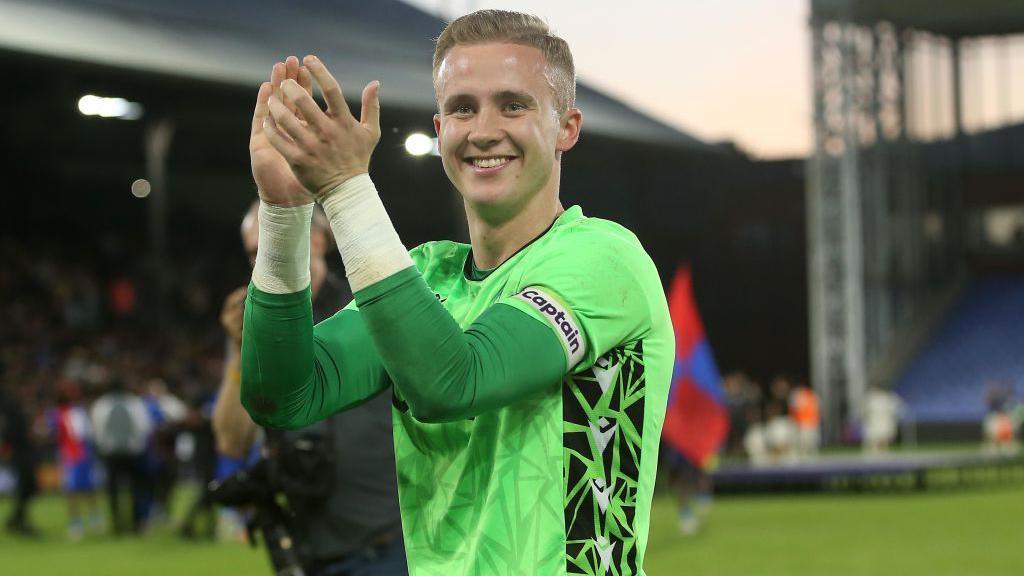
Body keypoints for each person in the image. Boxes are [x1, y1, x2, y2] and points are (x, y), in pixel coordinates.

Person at [239, 10, 673, 574]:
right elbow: (284, 397)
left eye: (513, 105)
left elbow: (454, 381)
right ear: (441, 130)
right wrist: (285, 213)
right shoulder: (427, 277)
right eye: (462, 107)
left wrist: (346, 190)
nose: (484, 129)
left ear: (566, 126)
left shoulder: (603, 259)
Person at [212, 201, 404, 575]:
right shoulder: (256, 326)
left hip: (387, 544)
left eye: (274, 247)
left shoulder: (369, 306)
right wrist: (240, 350)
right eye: (255, 255)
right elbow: (231, 441)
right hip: (307, 550)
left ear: (317, 242)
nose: (264, 263)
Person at [90, 378, 153, 535]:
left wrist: (104, 446)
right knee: (136, 489)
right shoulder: (134, 403)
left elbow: (96, 430)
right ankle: (136, 523)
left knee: (113, 490)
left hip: (111, 453)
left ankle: (117, 524)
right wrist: (138, 445)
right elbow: (144, 426)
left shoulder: (101, 404)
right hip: (133, 452)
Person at [48, 380, 103, 539]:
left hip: (82, 455)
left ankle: (93, 519)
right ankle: (76, 522)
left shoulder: (77, 412)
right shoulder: (58, 414)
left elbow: (86, 434)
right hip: (70, 456)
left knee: (87, 488)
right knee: (72, 490)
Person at [1, 371, 40, 537]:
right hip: (18, 450)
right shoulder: (9, 404)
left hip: (25, 449)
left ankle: (16, 519)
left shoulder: (17, 405)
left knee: (30, 486)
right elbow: (7, 428)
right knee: (27, 485)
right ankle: (20, 521)